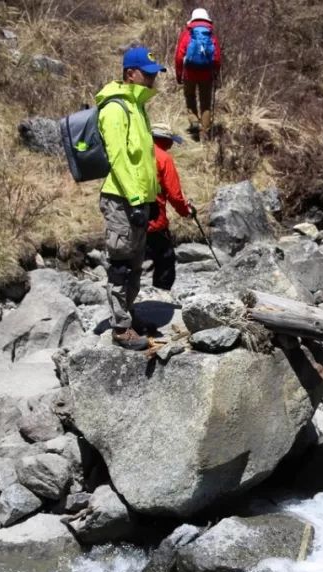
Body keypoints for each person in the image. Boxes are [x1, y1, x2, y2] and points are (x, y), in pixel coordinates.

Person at [96, 45, 165, 351]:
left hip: (139, 200)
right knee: (121, 264)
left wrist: (149, 199)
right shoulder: (115, 108)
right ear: (130, 74)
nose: (152, 79)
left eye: (154, 74)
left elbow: (144, 161)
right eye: (147, 74)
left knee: (136, 263)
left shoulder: (138, 107)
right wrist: (136, 199)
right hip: (121, 199)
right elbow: (119, 158)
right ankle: (120, 328)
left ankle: (129, 315)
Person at [144, 123, 195, 292]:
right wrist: (185, 211)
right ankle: (160, 299)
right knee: (165, 261)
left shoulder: (135, 153)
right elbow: (174, 194)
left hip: (129, 219)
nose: (172, 145)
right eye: (170, 141)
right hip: (154, 219)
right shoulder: (163, 158)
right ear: (164, 140)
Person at [174, 7, 222, 139]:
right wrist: (215, 73)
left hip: (189, 73)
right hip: (206, 74)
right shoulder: (211, 35)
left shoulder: (187, 33)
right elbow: (217, 58)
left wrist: (179, 74)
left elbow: (179, 57)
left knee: (190, 97)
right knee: (205, 103)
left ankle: (194, 121)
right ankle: (204, 133)